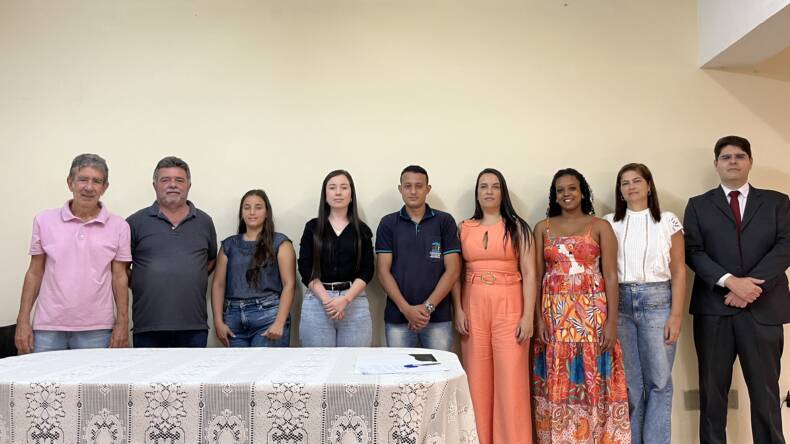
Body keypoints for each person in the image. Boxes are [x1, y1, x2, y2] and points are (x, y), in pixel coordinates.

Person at [684, 136, 790, 444]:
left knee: (766, 393)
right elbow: (693, 251)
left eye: (740, 156)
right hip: (714, 311)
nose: (733, 161)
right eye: (726, 157)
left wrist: (750, 286)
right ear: (716, 164)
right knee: (712, 393)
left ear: (750, 162)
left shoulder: (777, 202)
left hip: (764, 309)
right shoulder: (698, 205)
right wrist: (730, 282)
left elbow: (785, 246)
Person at [533, 168, 631, 443]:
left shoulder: (599, 226)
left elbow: (611, 275)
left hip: (592, 316)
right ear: (554, 196)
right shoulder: (542, 228)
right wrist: (538, 319)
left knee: (594, 377)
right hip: (554, 317)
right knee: (558, 377)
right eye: (560, 190)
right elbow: (537, 277)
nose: (566, 194)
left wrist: (611, 323)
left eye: (572, 188)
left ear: (583, 192)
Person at [451, 168, 537, 444]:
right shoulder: (464, 228)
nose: (489, 191)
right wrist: (458, 310)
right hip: (473, 305)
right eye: (483, 186)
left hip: (510, 305)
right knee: (476, 378)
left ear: (503, 192)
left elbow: (530, 274)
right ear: (477, 193)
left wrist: (528, 317)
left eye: (495, 186)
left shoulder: (519, 227)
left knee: (510, 381)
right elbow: (455, 272)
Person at [15, 154, 131, 353]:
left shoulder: (119, 226)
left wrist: (122, 323)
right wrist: (23, 320)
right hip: (48, 327)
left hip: (97, 329)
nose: (89, 187)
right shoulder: (44, 221)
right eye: (83, 179)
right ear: (70, 183)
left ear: (105, 187)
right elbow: (35, 272)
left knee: (95, 376)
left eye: (97, 181)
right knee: (42, 375)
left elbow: (119, 277)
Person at [604, 163, 686, 444]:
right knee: (629, 384)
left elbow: (679, 270)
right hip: (620, 304)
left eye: (637, 181)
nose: (631, 187)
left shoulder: (667, 221)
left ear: (649, 186)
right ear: (620, 191)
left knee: (659, 382)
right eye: (625, 183)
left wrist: (676, 315)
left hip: (657, 301)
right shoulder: (609, 223)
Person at [127, 156, 217, 348]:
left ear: (189, 185)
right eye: (165, 180)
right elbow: (121, 268)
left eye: (179, 180)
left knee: (194, 370)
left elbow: (210, 261)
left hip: (193, 326)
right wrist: (145, 281)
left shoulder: (204, 222)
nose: (173, 185)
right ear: (155, 185)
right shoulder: (135, 222)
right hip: (148, 326)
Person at [375, 165, 461, 351]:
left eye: (419, 186)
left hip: (438, 318)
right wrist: (406, 309)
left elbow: (453, 270)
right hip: (398, 318)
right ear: (400, 189)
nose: (413, 191)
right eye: (408, 186)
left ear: (427, 189)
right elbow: (383, 272)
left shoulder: (444, 221)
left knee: (438, 369)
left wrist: (427, 308)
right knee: (399, 369)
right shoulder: (388, 223)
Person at [297, 170, 375, 346]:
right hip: (318, 302)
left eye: (344, 187)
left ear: (351, 195)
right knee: (318, 360)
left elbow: (367, 269)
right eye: (332, 188)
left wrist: (345, 299)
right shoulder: (312, 227)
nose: (338, 192)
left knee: (354, 360)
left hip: (354, 301)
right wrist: (328, 301)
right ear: (325, 195)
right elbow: (305, 266)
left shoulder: (362, 230)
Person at [211, 189, 295, 347]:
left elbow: (289, 284)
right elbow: (218, 284)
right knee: (237, 364)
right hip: (233, 319)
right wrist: (218, 322)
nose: (252, 212)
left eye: (258, 207)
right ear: (241, 213)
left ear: (267, 213)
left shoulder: (280, 243)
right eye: (247, 207)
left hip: (268, 316)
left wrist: (279, 322)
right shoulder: (229, 245)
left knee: (264, 363)